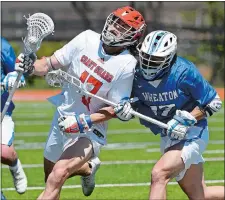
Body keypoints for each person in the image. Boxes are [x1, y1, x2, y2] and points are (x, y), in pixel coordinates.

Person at [15, 6, 146, 200]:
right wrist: (30, 66)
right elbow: (49, 63)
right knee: (50, 178)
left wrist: (82, 121)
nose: (115, 28)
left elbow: (114, 109)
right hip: (62, 117)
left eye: (123, 26)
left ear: (133, 36)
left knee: (58, 174)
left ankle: (85, 165)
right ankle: (88, 169)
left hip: (90, 127)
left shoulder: (127, 65)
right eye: (115, 22)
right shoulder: (87, 38)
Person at [113, 30, 224, 200]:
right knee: (201, 195)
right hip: (168, 136)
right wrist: (124, 110)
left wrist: (187, 120)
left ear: (169, 58)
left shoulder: (184, 71)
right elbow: (132, 104)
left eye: (155, 60)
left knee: (159, 174)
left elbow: (214, 102)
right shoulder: (134, 73)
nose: (148, 64)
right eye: (146, 57)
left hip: (191, 134)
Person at [1, 37, 28, 196]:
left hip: (1, 111)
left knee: (4, 153)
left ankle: (15, 166)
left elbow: (17, 74)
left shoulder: (2, 46)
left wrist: (12, 78)